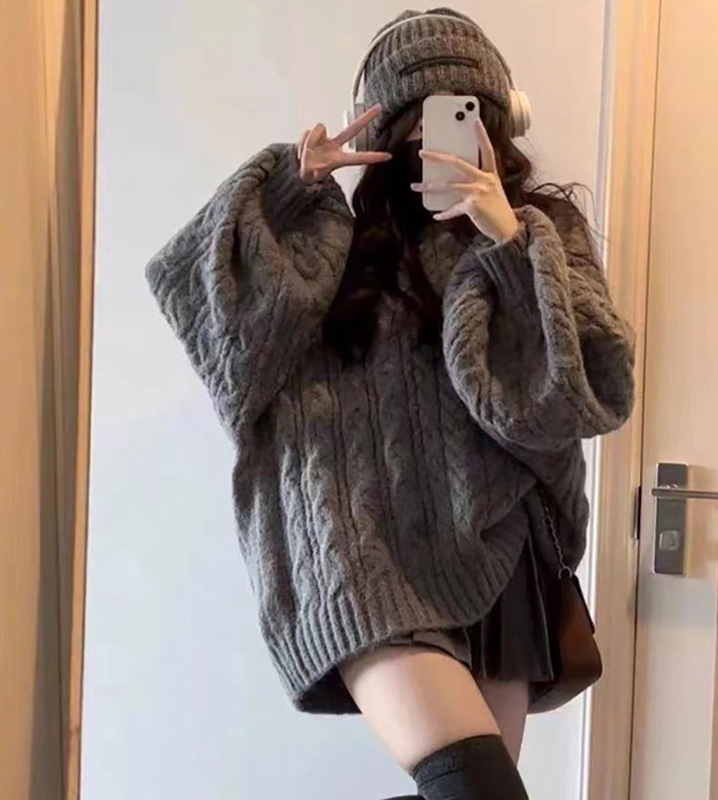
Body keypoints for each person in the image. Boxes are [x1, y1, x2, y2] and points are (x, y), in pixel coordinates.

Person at [145, 8, 635, 799]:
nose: (432, 139)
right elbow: (226, 346)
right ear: (377, 128)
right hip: (368, 557)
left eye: (459, 113)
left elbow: (575, 401)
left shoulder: (542, 232)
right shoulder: (329, 242)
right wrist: (284, 193)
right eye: (412, 120)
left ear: (499, 122)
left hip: (501, 562)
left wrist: (510, 246)